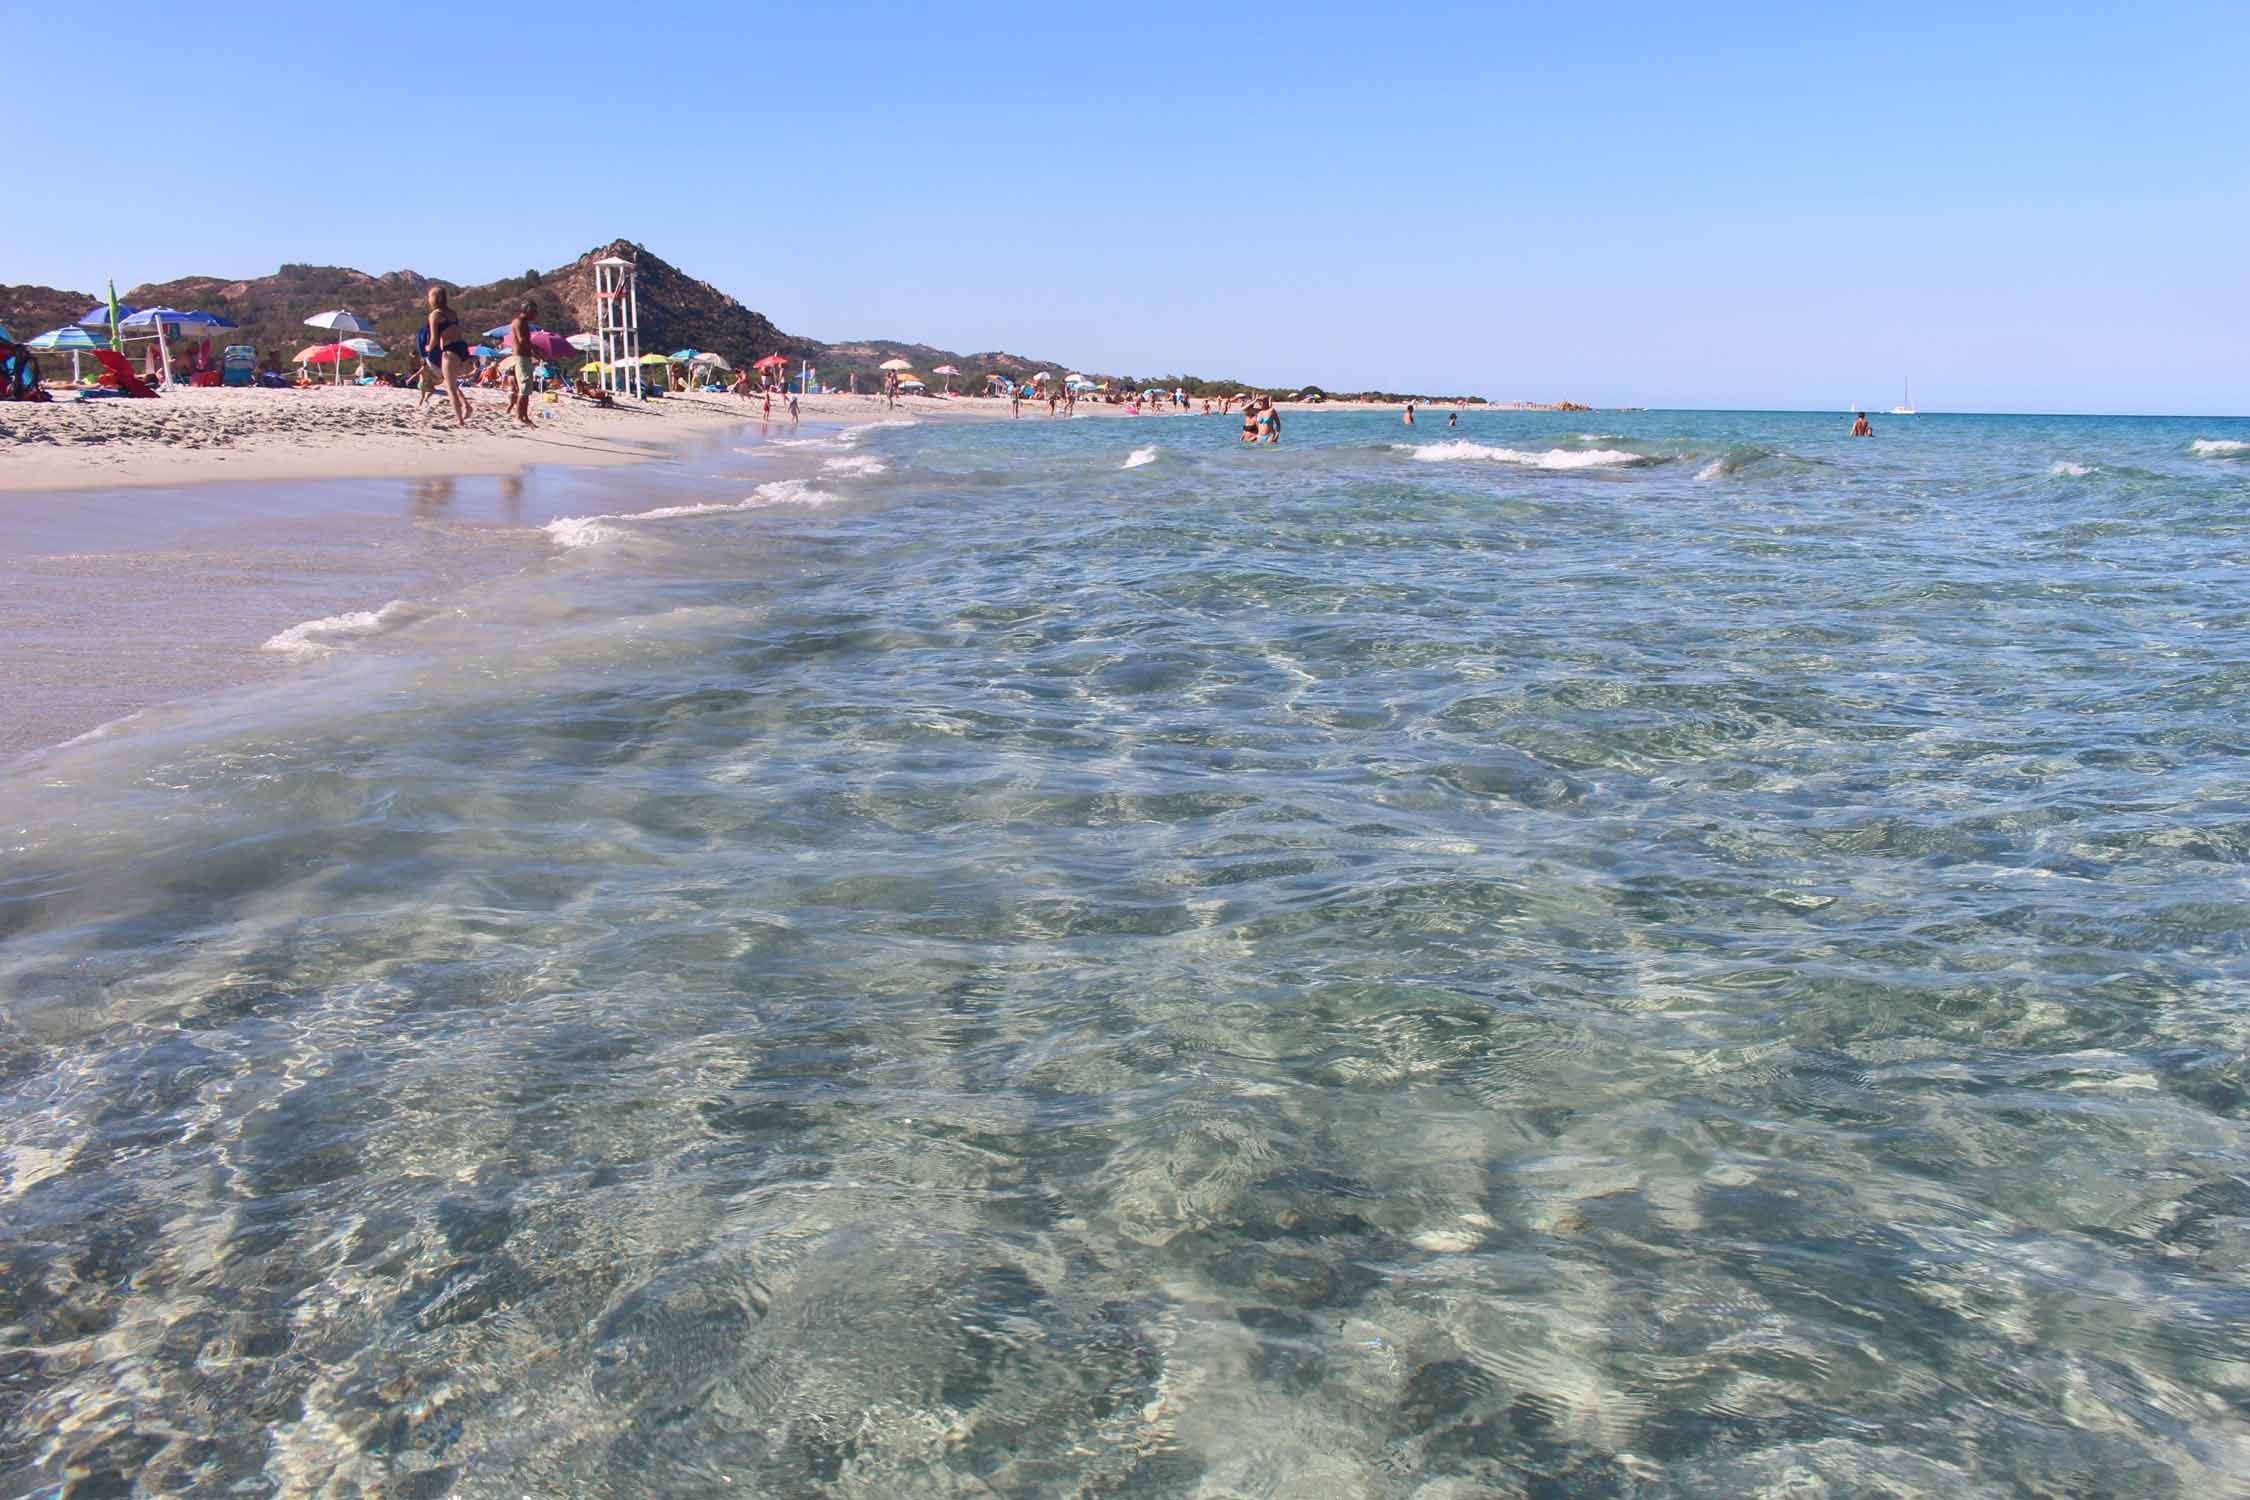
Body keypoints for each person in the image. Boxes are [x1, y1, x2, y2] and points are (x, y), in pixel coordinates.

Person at [423, 287, 474, 427]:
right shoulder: (452, 313)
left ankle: (460, 420)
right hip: (461, 347)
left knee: (450, 387)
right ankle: (467, 407)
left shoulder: (435, 314)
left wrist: (427, 348)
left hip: (450, 350)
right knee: (450, 382)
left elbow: (434, 338)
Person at [505, 300, 538, 429]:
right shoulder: (518, 322)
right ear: (527, 310)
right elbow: (522, 340)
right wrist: (536, 351)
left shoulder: (524, 322)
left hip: (525, 357)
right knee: (524, 388)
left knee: (527, 388)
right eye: (534, 311)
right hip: (520, 357)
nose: (535, 314)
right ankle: (518, 416)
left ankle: (524, 416)